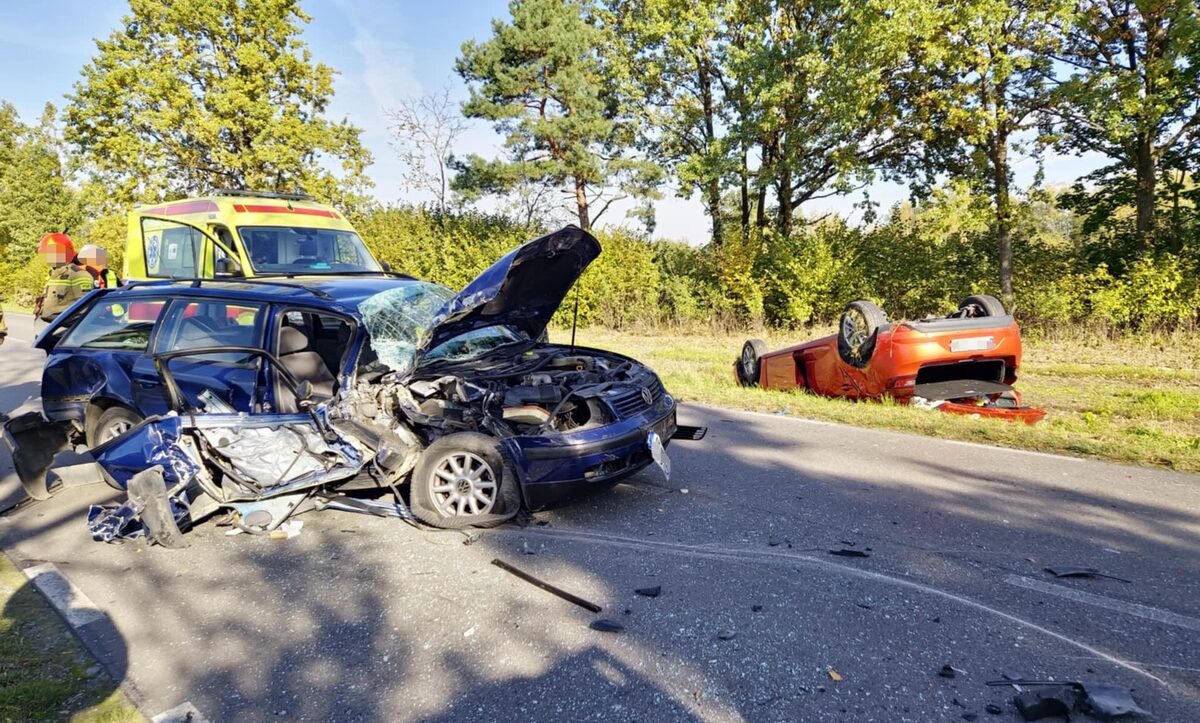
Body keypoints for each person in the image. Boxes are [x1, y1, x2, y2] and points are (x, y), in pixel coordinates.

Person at [36, 233, 95, 322]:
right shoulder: (54, 275)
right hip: (49, 327)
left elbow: (85, 309)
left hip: (65, 329)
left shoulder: (79, 275)